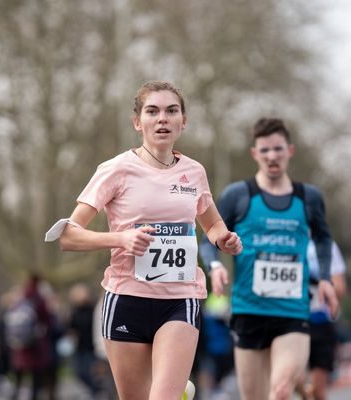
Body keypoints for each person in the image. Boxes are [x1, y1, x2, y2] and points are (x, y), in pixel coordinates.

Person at [46, 81, 242, 399]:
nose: (162, 118)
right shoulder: (116, 170)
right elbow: (68, 236)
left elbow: (213, 223)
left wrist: (224, 239)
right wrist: (120, 239)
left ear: (183, 121)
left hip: (180, 299)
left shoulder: (194, 172)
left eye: (171, 111)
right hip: (127, 300)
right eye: (152, 111)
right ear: (138, 122)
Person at [199, 117, 339, 400]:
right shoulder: (238, 195)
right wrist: (214, 267)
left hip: (292, 313)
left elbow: (323, 238)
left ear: (290, 150)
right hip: (248, 311)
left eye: (277, 149)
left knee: (282, 390)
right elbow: (208, 240)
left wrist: (325, 278)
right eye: (264, 150)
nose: (272, 156)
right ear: (255, 154)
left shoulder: (308, 198)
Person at [300, 240, 347, 400]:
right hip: (290, 321)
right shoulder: (283, 238)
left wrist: (322, 282)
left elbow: (340, 287)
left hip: (320, 322)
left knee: (318, 392)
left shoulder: (327, 245)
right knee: (291, 382)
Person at [6, 274, 54, 400]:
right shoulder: (39, 298)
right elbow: (47, 320)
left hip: (19, 344)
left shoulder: (20, 298)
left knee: (18, 377)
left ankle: (15, 395)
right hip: (36, 345)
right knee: (35, 378)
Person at [67, 283, 104, 398]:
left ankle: (97, 391)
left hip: (91, 347)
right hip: (80, 347)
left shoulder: (93, 309)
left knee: (93, 372)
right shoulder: (74, 311)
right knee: (79, 371)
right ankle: (96, 390)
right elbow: (70, 327)